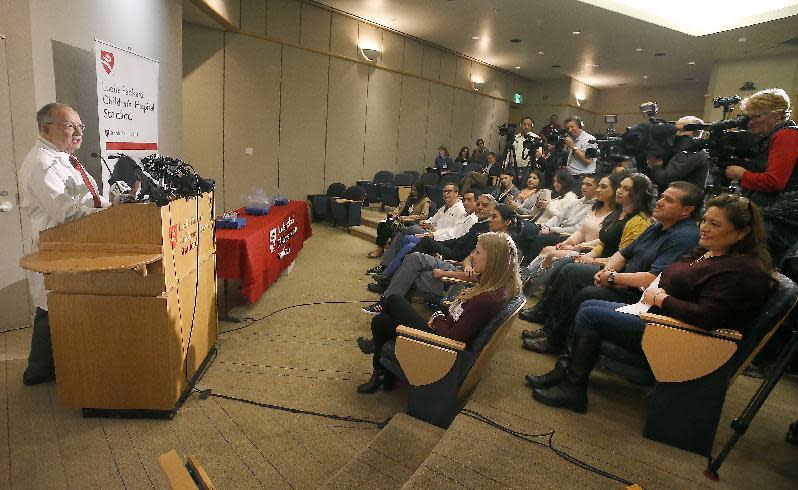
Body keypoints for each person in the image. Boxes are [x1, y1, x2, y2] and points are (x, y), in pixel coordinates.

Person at [528, 194, 774, 412]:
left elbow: (706, 316)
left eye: (715, 224)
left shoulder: (741, 270)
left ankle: (573, 389)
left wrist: (661, 298)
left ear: (742, 233)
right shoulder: (711, 250)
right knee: (588, 305)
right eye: (705, 220)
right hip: (659, 314)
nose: (705, 228)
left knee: (591, 313)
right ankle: (564, 373)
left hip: (682, 335)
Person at [522, 181, 701, 354]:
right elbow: (623, 253)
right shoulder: (655, 226)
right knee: (570, 269)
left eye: (669, 200)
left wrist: (611, 276)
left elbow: (653, 278)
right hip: (619, 275)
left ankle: (555, 339)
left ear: (687, 210)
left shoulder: (681, 236)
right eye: (662, 197)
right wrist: (606, 272)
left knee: (583, 287)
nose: (660, 202)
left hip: (640, 294)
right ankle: (548, 327)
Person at [17, 103, 112, 386]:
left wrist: (115, 205)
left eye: (80, 126)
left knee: (59, 305)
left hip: (76, 241)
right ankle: (39, 372)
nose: (79, 133)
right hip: (56, 243)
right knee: (52, 306)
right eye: (70, 126)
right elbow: (67, 213)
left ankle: (53, 366)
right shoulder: (40, 164)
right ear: (47, 128)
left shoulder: (66, 159)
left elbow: (88, 200)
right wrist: (109, 213)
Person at [356, 232, 522, 393]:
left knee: (394, 300)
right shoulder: (497, 285)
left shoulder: (486, 299)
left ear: (493, 260)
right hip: (444, 333)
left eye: (477, 252)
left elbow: (452, 338)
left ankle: (378, 363)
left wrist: (437, 318)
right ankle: (382, 375)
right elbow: (471, 280)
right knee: (381, 322)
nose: (472, 256)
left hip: (441, 349)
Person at [520, 173, 655, 333]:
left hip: (611, 268)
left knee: (568, 267)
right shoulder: (618, 213)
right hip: (598, 258)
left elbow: (623, 256)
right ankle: (543, 312)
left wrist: (591, 259)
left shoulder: (638, 222)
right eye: (620, 187)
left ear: (638, 193)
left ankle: (549, 326)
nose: (620, 191)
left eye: (626, 189)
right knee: (563, 261)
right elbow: (603, 242)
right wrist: (587, 255)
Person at [362, 200, 519, 313]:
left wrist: (445, 273)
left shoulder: (502, 246)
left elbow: (481, 280)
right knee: (414, 258)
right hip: (459, 267)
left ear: (507, 222)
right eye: (490, 216)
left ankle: (389, 304)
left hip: (459, 281)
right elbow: (468, 258)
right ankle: (391, 304)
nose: (490, 220)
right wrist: (467, 265)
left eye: (494, 217)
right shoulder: (492, 237)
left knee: (412, 268)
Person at [724, 88, 798, 265]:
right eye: (749, 117)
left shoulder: (786, 135)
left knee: (758, 269)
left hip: (779, 217)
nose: (749, 123)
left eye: (756, 117)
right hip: (776, 213)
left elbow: (775, 181)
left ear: (779, 114)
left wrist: (742, 175)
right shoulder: (776, 135)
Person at [524, 174, 621, 292]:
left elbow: (603, 241)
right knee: (547, 249)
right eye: (599, 186)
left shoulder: (616, 215)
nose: (598, 190)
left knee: (551, 254)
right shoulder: (595, 207)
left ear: (615, 190)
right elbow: (581, 231)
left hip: (590, 251)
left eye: (603, 187)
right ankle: (526, 277)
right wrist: (567, 242)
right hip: (579, 245)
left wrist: (576, 246)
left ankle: (533, 285)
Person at [368, 188, 478, 280]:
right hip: (435, 235)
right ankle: (386, 267)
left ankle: (389, 274)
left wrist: (432, 233)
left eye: (449, 191)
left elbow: (453, 234)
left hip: (440, 239)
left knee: (410, 241)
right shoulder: (449, 209)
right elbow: (433, 220)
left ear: (456, 193)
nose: (446, 194)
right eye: (444, 191)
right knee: (404, 236)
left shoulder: (463, 212)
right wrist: (426, 223)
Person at [368, 181, 430, 258]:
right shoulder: (409, 197)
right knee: (382, 224)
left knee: (388, 226)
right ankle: (380, 248)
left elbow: (423, 216)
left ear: (420, 190)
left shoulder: (425, 201)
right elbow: (399, 207)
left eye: (415, 190)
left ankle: (381, 249)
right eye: (412, 189)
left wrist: (406, 218)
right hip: (400, 219)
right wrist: (395, 213)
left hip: (410, 223)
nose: (413, 192)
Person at [647, 116, 709, 192]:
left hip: (685, 200)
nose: (676, 133)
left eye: (681, 129)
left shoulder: (694, 151)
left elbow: (666, 179)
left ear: (692, 132)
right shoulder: (676, 149)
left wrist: (655, 165)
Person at [563, 116, 598, 183]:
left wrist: (573, 146)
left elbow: (588, 161)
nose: (569, 130)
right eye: (568, 128)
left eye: (572, 127)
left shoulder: (589, 139)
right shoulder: (573, 138)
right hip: (572, 176)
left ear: (579, 126)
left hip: (583, 177)